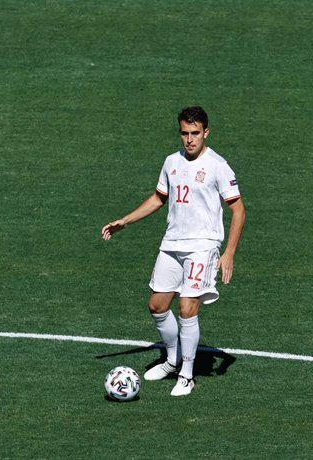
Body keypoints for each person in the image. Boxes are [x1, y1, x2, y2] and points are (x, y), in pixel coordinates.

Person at [101, 106, 245, 396]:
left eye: (195, 133)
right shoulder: (171, 162)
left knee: (187, 308)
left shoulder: (218, 165)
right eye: (185, 133)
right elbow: (158, 198)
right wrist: (124, 221)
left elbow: (238, 210)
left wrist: (228, 252)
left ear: (206, 132)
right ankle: (171, 359)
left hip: (202, 246)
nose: (190, 139)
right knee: (156, 306)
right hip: (172, 243)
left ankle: (187, 375)